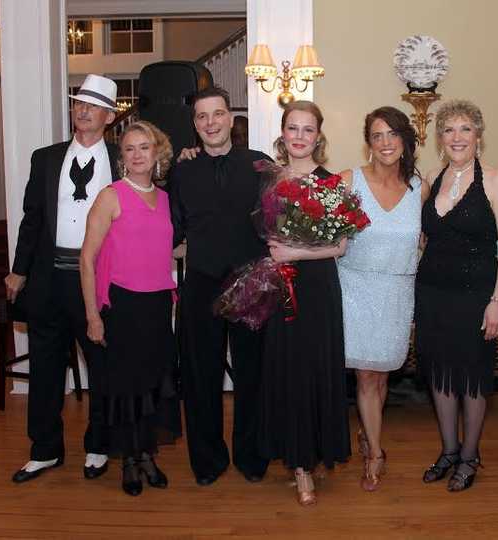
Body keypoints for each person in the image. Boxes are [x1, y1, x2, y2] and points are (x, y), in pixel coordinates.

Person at [6, 74, 118, 483]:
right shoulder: (46, 157)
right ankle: (44, 449)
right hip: (47, 278)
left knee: (103, 367)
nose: (82, 110)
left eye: (92, 105)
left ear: (109, 116)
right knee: (46, 367)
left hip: (98, 281)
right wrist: (19, 271)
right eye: (78, 103)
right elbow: (32, 220)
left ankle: (99, 445)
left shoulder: (124, 160)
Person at [169, 86, 270, 486]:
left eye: (217, 114)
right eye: (201, 117)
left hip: (250, 284)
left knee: (253, 376)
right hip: (202, 282)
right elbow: (173, 230)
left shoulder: (260, 164)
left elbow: (276, 223)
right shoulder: (181, 170)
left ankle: (251, 456)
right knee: (200, 376)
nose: (211, 123)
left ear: (231, 118)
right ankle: (207, 461)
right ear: (195, 125)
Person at [416, 99, 498, 491]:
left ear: (478, 136)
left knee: (473, 378)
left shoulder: (494, 180)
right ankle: (449, 450)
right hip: (432, 293)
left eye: (465, 129)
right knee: (440, 375)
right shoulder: (431, 178)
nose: (457, 137)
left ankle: (470, 456)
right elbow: (425, 239)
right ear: (440, 138)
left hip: (477, 296)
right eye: (449, 129)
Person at [80, 121, 180, 496]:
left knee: (152, 385)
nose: (137, 155)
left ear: (157, 153)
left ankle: (147, 454)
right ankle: (130, 461)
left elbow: (164, 247)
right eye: (129, 149)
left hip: (157, 306)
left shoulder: (168, 199)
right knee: (125, 388)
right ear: (122, 158)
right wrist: (92, 315)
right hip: (121, 306)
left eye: (144, 148)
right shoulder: (111, 196)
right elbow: (87, 259)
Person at [259, 100, 350, 506]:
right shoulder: (268, 181)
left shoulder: (333, 183)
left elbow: (341, 246)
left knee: (318, 369)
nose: (299, 136)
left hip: (318, 287)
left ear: (319, 136)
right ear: (283, 134)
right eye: (292, 128)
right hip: (281, 288)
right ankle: (298, 465)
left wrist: (296, 254)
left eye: (307, 129)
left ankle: (314, 455)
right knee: (291, 371)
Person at [337, 106, 426, 492]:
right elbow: (320, 230)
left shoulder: (420, 188)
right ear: (368, 143)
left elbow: (429, 240)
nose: (386, 143)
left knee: (382, 372)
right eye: (377, 136)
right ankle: (375, 451)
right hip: (354, 288)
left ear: (405, 140)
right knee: (366, 375)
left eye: (392, 134)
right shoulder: (347, 181)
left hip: (396, 291)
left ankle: (367, 431)